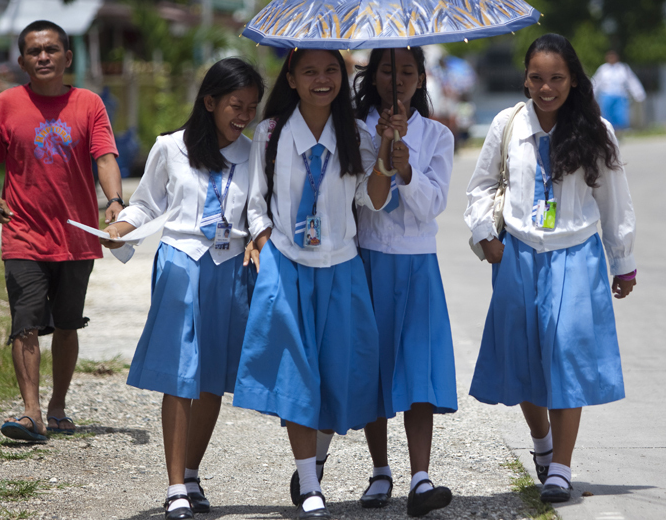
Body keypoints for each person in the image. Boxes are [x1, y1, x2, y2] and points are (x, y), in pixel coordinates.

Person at [465, 33, 637, 504]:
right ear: (525, 79)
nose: (546, 88)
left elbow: (614, 199)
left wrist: (623, 261)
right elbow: (480, 186)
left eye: (557, 78)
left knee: (566, 354)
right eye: (537, 78)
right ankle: (541, 444)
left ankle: (560, 468)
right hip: (518, 254)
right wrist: (485, 234)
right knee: (525, 357)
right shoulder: (507, 124)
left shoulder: (596, 129)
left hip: (576, 253)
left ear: (574, 79)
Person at [101, 58, 264, 520]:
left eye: (251, 107)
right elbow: (146, 204)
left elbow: (257, 211)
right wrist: (119, 229)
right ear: (210, 102)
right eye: (235, 105)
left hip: (230, 266)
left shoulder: (253, 153)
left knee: (211, 377)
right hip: (181, 260)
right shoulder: (170, 147)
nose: (244, 115)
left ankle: (192, 474)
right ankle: (175, 487)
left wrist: (258, 242)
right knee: (179, 374)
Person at [234, 48, 383, 519]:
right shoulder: (271, 133)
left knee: (336, 373)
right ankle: (312, 484)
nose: (323, 79)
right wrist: (264, 242)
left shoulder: (357, 134)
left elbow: (373, 201)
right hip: (288, 266)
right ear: (292, 79)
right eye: (310, 71)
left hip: (341, 266)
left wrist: (387, 159)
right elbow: (256, 202)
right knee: (296, 377)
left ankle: (313, 462)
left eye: (331, 70)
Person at [0, 20, 122, 442]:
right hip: (23, 234)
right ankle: (31, 413)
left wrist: (115, 200)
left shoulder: (89, 103)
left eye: (51, 50)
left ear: (67, 57)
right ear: (21, 62)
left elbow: (105, 157)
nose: (43, 57)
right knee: (26, 323)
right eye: (34, 51)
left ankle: (57, 407)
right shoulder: (5, 104)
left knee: (68, 324)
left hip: (76, 237)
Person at [351, 47, 458, 516]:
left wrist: (408, 166)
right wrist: (381, 148)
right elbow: (365, 199)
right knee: (374, 368)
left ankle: (421, 477)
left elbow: (433, 205)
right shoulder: (355, 130)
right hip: (369, 257)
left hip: (417, 262)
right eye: (388, 70)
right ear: (374, 77)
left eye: (408, 71)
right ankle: (380, 470)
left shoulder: (437, 135)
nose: (397, 79)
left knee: (419, 370)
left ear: (421, 79)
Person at [591, 50, 646, 132]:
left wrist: (638, 93)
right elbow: (596, 82)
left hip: (620, 95)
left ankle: (620, 132)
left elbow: (631, 81)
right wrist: (590, 93)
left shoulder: (623, 68)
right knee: (607, 115)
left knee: (621, 115)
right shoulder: (603, 69)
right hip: (606, 95)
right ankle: (608, 132)